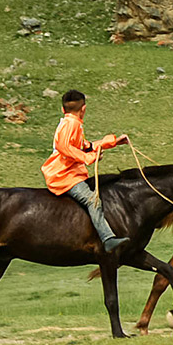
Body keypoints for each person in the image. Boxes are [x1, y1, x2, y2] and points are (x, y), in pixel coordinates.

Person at [42, 90, 129, 254]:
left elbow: (86, 145)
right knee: (91, 200)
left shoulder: (71, 123)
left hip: (69, 173)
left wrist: (111, 143)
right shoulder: (71, 124)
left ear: (63, 109)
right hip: (64, 175)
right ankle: (107, 239)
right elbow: (64, 147)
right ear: (84, 109)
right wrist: (87, 158)